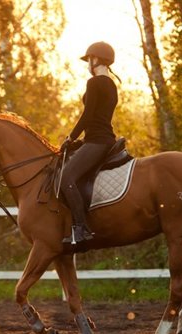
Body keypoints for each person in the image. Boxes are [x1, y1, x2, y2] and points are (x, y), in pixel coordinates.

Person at [60, 41, 119, 248]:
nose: (87, 64)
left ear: (96, 59)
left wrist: (71, 137)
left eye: (89, 60)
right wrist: (81, 142)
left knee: (66, 178)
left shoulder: (94, 83)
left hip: (97, 140)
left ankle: (81, 229)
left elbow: (88, 115)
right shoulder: (111, 84)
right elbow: (100, 119)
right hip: (100, 139)